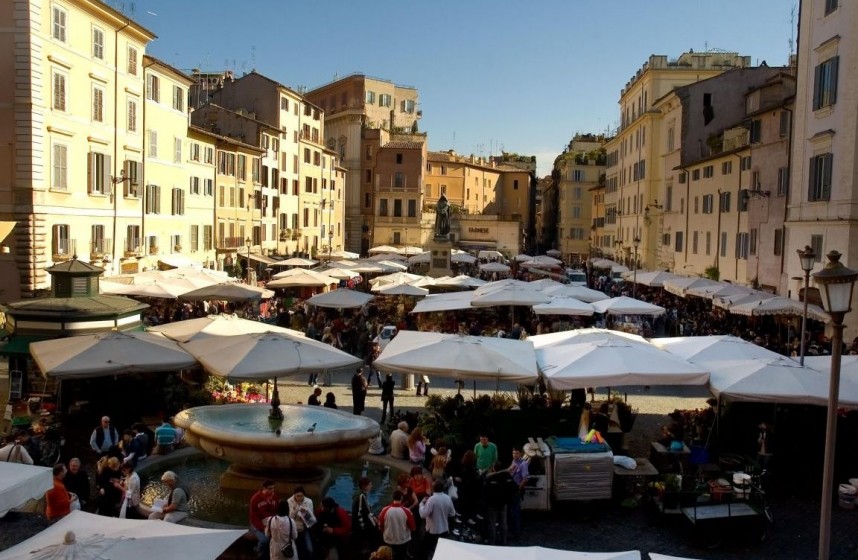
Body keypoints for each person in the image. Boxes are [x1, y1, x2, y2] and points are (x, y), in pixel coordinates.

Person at [418, 479, 457, 559]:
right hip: (444, 530)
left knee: (425, 550)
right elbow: (452, 513)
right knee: (438, 550)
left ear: (433, 488)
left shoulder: (432, 499)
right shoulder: (448, 498)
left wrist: (421, 504)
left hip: (433, 530)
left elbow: (423, 514)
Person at [482, 461, 517, 545]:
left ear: (494, 468)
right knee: (503, 523)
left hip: (492, 504)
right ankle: (504, 540)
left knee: (492, 523)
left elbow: (486, 491)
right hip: (504, 503)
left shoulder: (490, 478)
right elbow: (513, 488)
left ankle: (492, 542)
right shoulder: (508, 476)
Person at [378, 490, 415, 560]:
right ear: (401, 498)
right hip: (403, 541)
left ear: (393, 497)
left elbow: (380, 526)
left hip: (388, 540)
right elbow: (413, 528)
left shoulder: (385, 510)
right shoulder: (407, 511)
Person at [250, 480, 279, 558]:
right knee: (264, 540)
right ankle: (258, 551)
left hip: (270, 523)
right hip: (257, 525)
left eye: (273, 488)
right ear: (264, 488)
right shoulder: (255, 499)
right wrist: (263, 528)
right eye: (270, 489)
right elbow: (253, 518)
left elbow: (277, 512)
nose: (272, 490)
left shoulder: (275, 498)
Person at [351, 477, 379, 557]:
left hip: (356, 524)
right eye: (370, 484)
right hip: (361, 525)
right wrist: (374, 521)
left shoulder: (357, 494)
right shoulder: (362, 496)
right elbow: (366, 512)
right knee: (374, 535)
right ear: (364, 486)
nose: (371, 486)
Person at [288, 486, 317, 560]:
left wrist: (305, 513)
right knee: (294, 549)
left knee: (310, 549)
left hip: (305, 527)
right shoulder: (289, 501)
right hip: (294, 527)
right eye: (298, 496)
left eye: (301, 496)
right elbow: (289, 518)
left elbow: (311, 520)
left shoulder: (309, 501)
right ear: (294, 495)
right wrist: (295, 511)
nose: (299, 498)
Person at [507, 447, 530, 539]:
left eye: (516, 453)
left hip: (516, 490)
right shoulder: (513, 462)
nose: (514, 455)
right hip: (511, 490)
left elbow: (526, 478)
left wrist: (518, 489)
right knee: (511, 512)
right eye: (513, 453)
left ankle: (517, 533)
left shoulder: (523, 464)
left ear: (520, 454)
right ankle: (512, 530)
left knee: (515, 512)